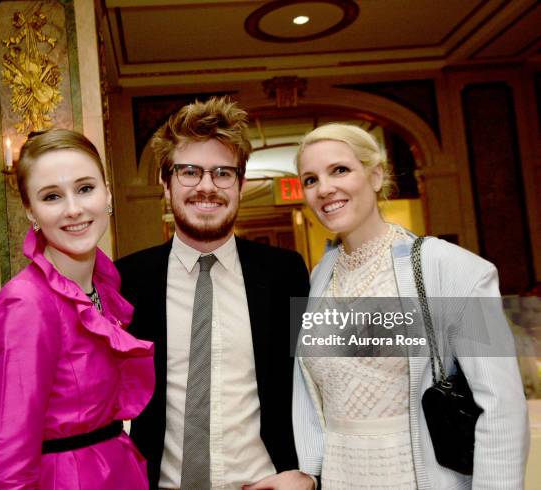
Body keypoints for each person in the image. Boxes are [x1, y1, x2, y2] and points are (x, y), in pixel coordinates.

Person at [292, 123, 530, 488]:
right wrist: (310, 470)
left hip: (417, 477)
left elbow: (501, 407)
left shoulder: (453, 268)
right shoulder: (319, 277)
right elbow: (309, 392)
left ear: (376, 176)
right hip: (341, 477)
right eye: (310, 179)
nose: (325, 189)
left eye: (340, 170)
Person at [116, 97, 312, 490]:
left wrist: (311, 474)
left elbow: (319, 382)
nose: (207, 186)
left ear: (240, 184)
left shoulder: (284, 273)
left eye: (223, 173)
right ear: (165, 183)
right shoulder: (127, 280)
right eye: (189, 171)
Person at [0, 129, 155, 488]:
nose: (73, 209)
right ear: (31, 210)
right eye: (52, 196)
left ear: (107, 193)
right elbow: (7, 460)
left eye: (85, 188)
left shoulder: (104, 288)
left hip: (117, 471)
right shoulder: (26, 303)